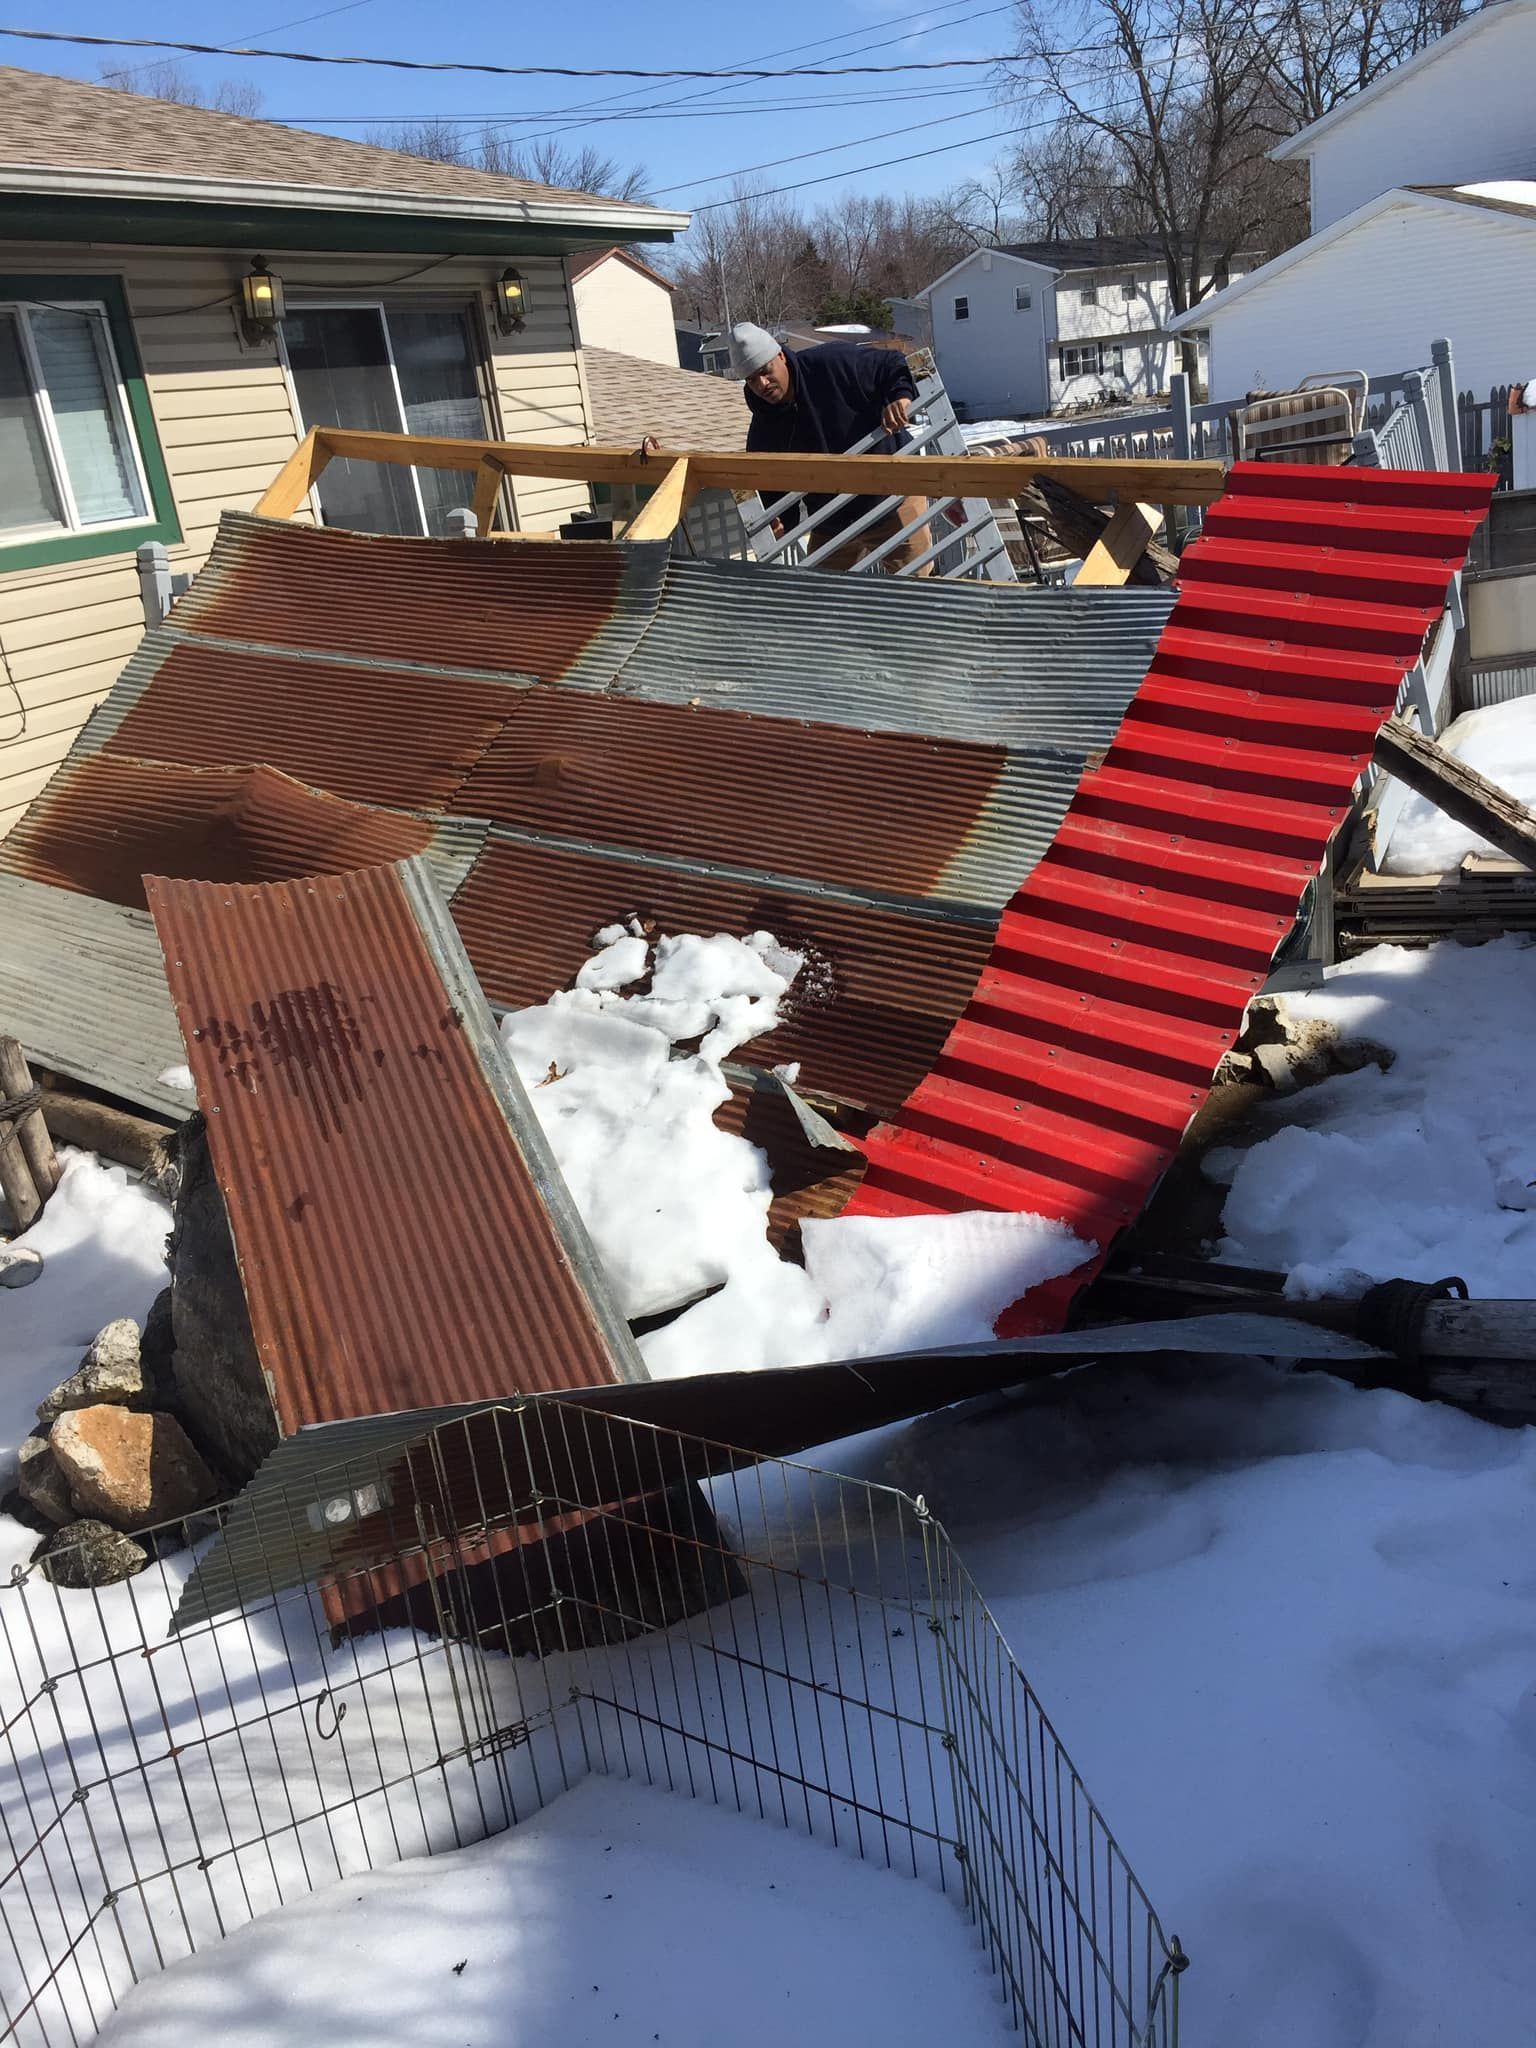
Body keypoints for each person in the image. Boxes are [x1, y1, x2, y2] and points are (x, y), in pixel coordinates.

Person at [728, 321, 934, 576]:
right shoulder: (764, 430)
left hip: (892, 500)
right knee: (822, 598)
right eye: (751, 379)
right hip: (831, 520)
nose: (762, 384)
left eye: (765, 370)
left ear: (780, 355)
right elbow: (772, 488)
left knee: (919, 592)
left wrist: (900, 397)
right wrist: (781, 523)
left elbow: (891, 364)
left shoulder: (833, 363)